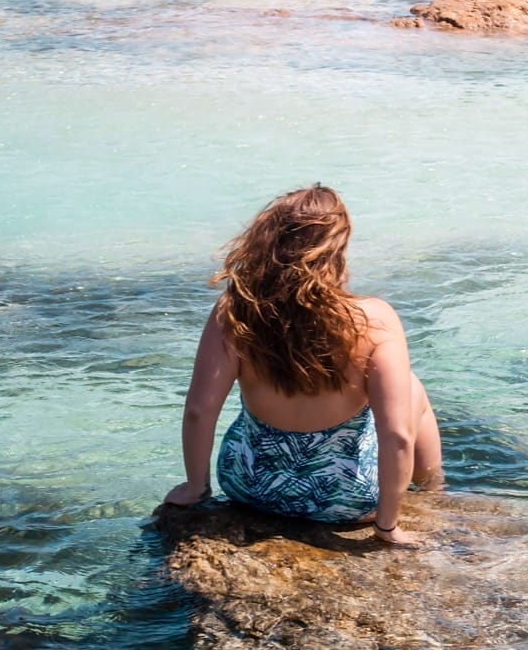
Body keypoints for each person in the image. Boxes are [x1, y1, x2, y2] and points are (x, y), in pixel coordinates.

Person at [162, 184, 444, 548]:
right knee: (410, 386)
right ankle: (435, 491)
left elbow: (200, 410)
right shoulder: (373, 319)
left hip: (250, 487)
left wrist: (196, 488)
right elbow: (396, 436)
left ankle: (208, 485)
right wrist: (387, 525)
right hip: (346, 500)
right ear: (337, 247)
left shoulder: (236, 310)